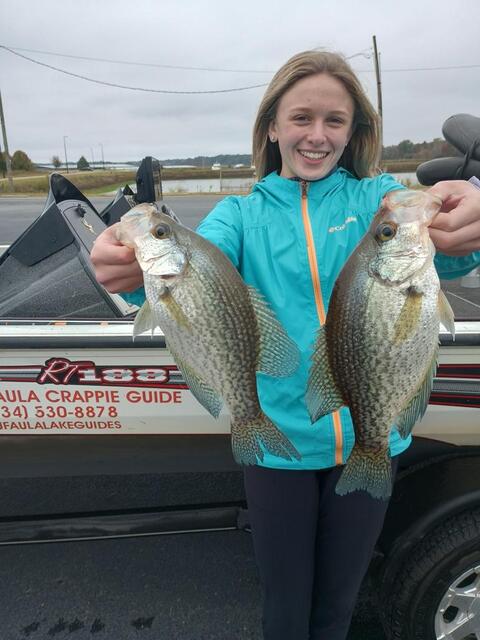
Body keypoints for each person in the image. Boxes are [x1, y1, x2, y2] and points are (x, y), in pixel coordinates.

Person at [91, 50, 480, 640]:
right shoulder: (240, 215)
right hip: (278, 447)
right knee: (285, 605)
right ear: (272, 126)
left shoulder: (379, 203)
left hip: (371, 435)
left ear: (355, 133)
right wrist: (126, 247)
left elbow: (451, 246)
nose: (317, 135)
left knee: (338, 604)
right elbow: (196, 254)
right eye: (301, 118)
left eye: (335, 121)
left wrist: (470, 212)